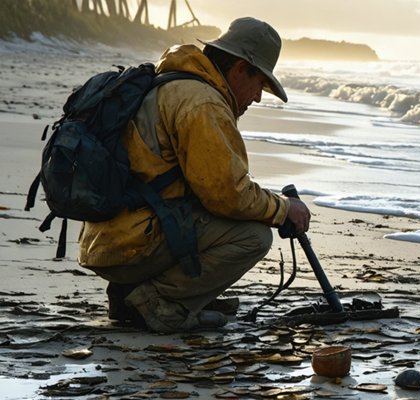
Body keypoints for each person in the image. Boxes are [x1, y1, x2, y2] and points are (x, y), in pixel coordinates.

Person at [77, 17, 312, 333]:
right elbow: (228, 195)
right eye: (260, 84)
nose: (257, 97)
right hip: (131, 244)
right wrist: (284, 208)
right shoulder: (201, 101)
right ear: (241, 68)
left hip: (110, 239)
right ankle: (160, 304)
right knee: (252, 237)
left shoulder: (173, 81)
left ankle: (129, 298)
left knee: (196, 208)